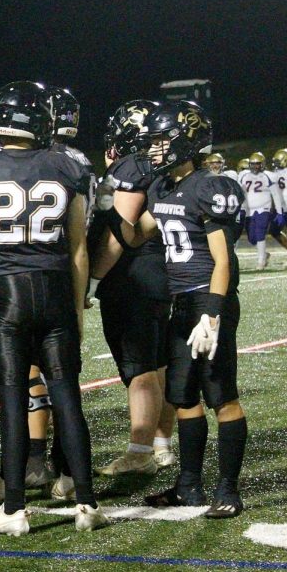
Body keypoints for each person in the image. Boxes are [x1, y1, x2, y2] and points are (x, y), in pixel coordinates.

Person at [0, 81, 107, 535]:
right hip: (57, 287)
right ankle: (87, 503)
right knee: (67, 397)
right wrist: (78, 309)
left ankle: (14, 509)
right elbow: (78, 248)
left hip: (7, 293)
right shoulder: (67, 166)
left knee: (13, 400)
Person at [117, 102, 248, 517]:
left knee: (220, 394)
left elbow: (223, 260)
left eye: (161, 141)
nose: (154, 149)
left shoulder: (211, 186)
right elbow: (138, 235)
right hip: (180, 303)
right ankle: (189, 484)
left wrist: (212, 313)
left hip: (210, 302)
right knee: (181, 394)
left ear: (186, 141)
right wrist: (111, 208)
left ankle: (227, 489)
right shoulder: (162, 188)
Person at [89, 100, 177, 478]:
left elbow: (120, 233)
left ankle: (140, 451)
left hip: (133, 279)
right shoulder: (165, 166)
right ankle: (160, 445)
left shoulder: (132, 166)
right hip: (164, 273)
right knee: (158, 363)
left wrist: (92, 280)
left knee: (139, 366)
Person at [239, 151, 285, 269]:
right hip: (249, 210)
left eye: (258, 164)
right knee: (252, 238)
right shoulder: (244, 175)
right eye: (253, 164)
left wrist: (279, 212)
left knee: (260, 233)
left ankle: (261, 261)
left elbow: (276, 195)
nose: (255, 166)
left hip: (263, 208)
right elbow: (239, 192)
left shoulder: (268, 176)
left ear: (263, 164)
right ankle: (264, 254)